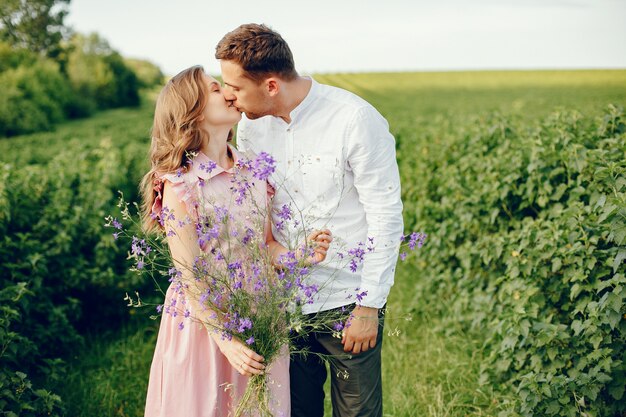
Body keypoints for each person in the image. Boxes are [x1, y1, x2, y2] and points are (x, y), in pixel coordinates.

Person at [216, 24, 404, 417]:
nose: (228, 94)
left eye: (234, 85)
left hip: (348, 301)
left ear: (270, 85)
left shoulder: (354, 119)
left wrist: (369, 306)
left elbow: (385, 214)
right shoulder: (250, 127)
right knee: (296, 411)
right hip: (284, 303)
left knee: (357, 413)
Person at [140, 66, 332, 417]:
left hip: (259, 312)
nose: (230, 93)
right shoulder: (181, 184)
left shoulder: (254, 171)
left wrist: (298, 256)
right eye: (215, 89)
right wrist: (226, 341)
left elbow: (267, 247)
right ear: (191, 110)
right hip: (206, 323)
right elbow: (190, 274)